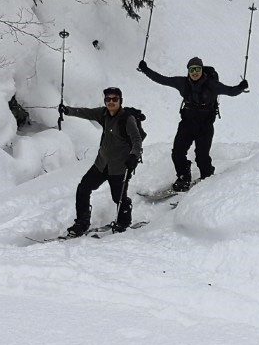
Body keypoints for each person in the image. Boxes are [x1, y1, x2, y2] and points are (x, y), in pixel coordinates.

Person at [138, 56, 248, 192]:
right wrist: (145, 69)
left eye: (197, 69)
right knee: (177, 152)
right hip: (187, 124)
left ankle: (207, 179)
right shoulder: (182, 83)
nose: (195, 72)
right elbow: (162, 79)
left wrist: (241, 87)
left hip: (205, 126)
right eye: (192, 70)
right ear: (188, 71)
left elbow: (230, 91)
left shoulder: (212, 85)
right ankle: (184, 177)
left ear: (202, 70)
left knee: (202, 156)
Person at [58, 86, 143, 237]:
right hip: (101, 164)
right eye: (108, 99)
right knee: (83, 188)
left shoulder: (127, 119)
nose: (111, 102)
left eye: (114, 99)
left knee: (119, 198)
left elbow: (136, 140)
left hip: (119, 167)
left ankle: (124, 223)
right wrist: (68, 110)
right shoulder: (103, 113)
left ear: (120, 101)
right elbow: (86, 112)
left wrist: (133, 156)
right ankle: (81, 223)